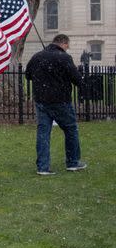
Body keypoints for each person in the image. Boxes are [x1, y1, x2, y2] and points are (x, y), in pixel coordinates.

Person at [25, 34, 87, 175]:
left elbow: (28, 75)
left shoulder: (37, 57)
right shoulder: (64, 58)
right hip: (61, 101)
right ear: (63, 43)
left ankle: (43, 167)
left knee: (43, 133)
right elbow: (77, 79)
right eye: (67, 46)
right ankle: (72, 162)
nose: (68, 49)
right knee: (71, 130)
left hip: (41, 101)